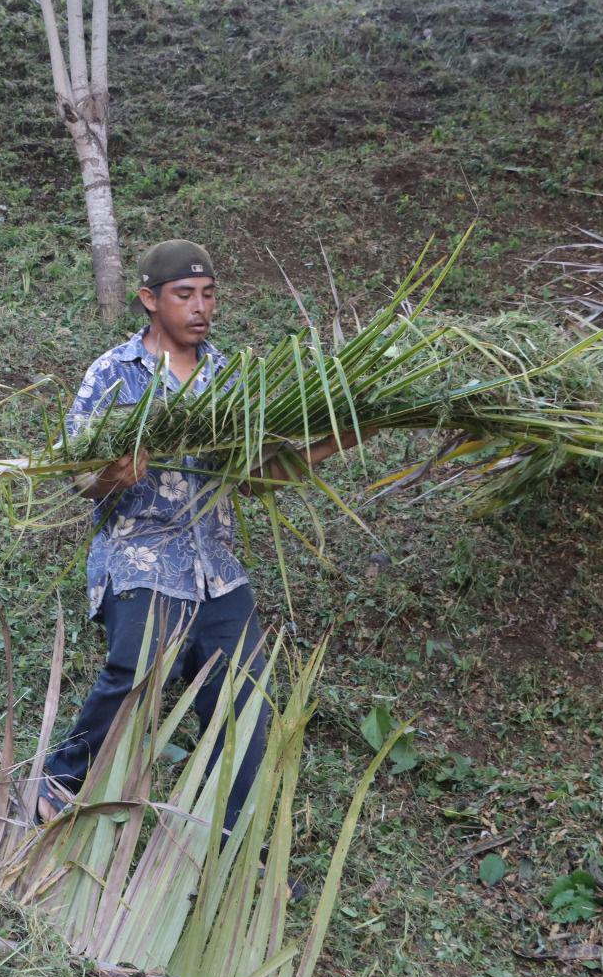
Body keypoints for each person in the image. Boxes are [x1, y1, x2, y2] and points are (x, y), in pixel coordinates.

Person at [38, 239, 365, 838]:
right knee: (135, 676)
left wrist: (337, 437)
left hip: (216, 567)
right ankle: (58, 784)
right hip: (140, 558)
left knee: (244, 708)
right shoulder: (114, 374)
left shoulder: (228, 378)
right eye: (184, 295)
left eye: (208, 295)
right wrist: (114, 472)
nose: (200, 308)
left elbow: (254, 478)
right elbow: (78, 478)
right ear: (149, 300)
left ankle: (226, 846)